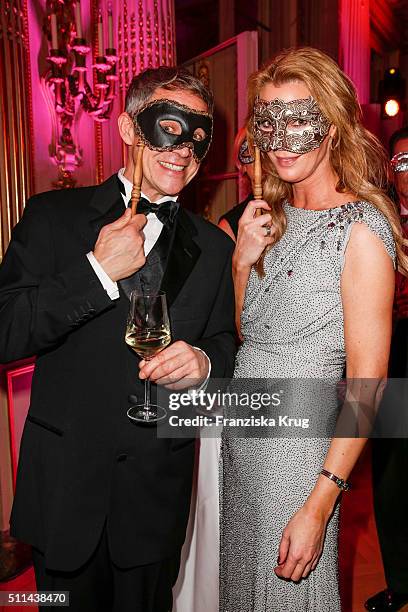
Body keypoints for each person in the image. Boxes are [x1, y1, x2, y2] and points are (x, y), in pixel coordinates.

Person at [0, 66, 236, 612]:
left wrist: (203, 361)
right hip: (66, 492)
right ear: (130, 128)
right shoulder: (52, 218)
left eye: (199, 139)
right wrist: (96, 272)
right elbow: (6, 328)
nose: (183, 152)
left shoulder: (213, 247)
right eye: (168, 129)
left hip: (156, 493)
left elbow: (224, 341)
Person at [220, 47, 407, 611]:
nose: (280, 137)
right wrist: (240, 261)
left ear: (332, 126)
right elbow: (248, 335)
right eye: (268, 119)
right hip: (243, 446)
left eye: (298, 118)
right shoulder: (266, 217)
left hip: (299, 461)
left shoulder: (362, 231)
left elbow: (367, 388)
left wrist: (320, 503)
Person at [366, 126, 408, 612]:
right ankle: (401, 577)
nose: (406, 172)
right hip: (388, 357)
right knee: (390, 477)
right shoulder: (377, 220)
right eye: (399, 162)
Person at [218, 128, 255, 241]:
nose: (261, 159)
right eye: (251, 152)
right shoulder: (229, 225)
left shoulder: (295, 204)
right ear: (241, 165)